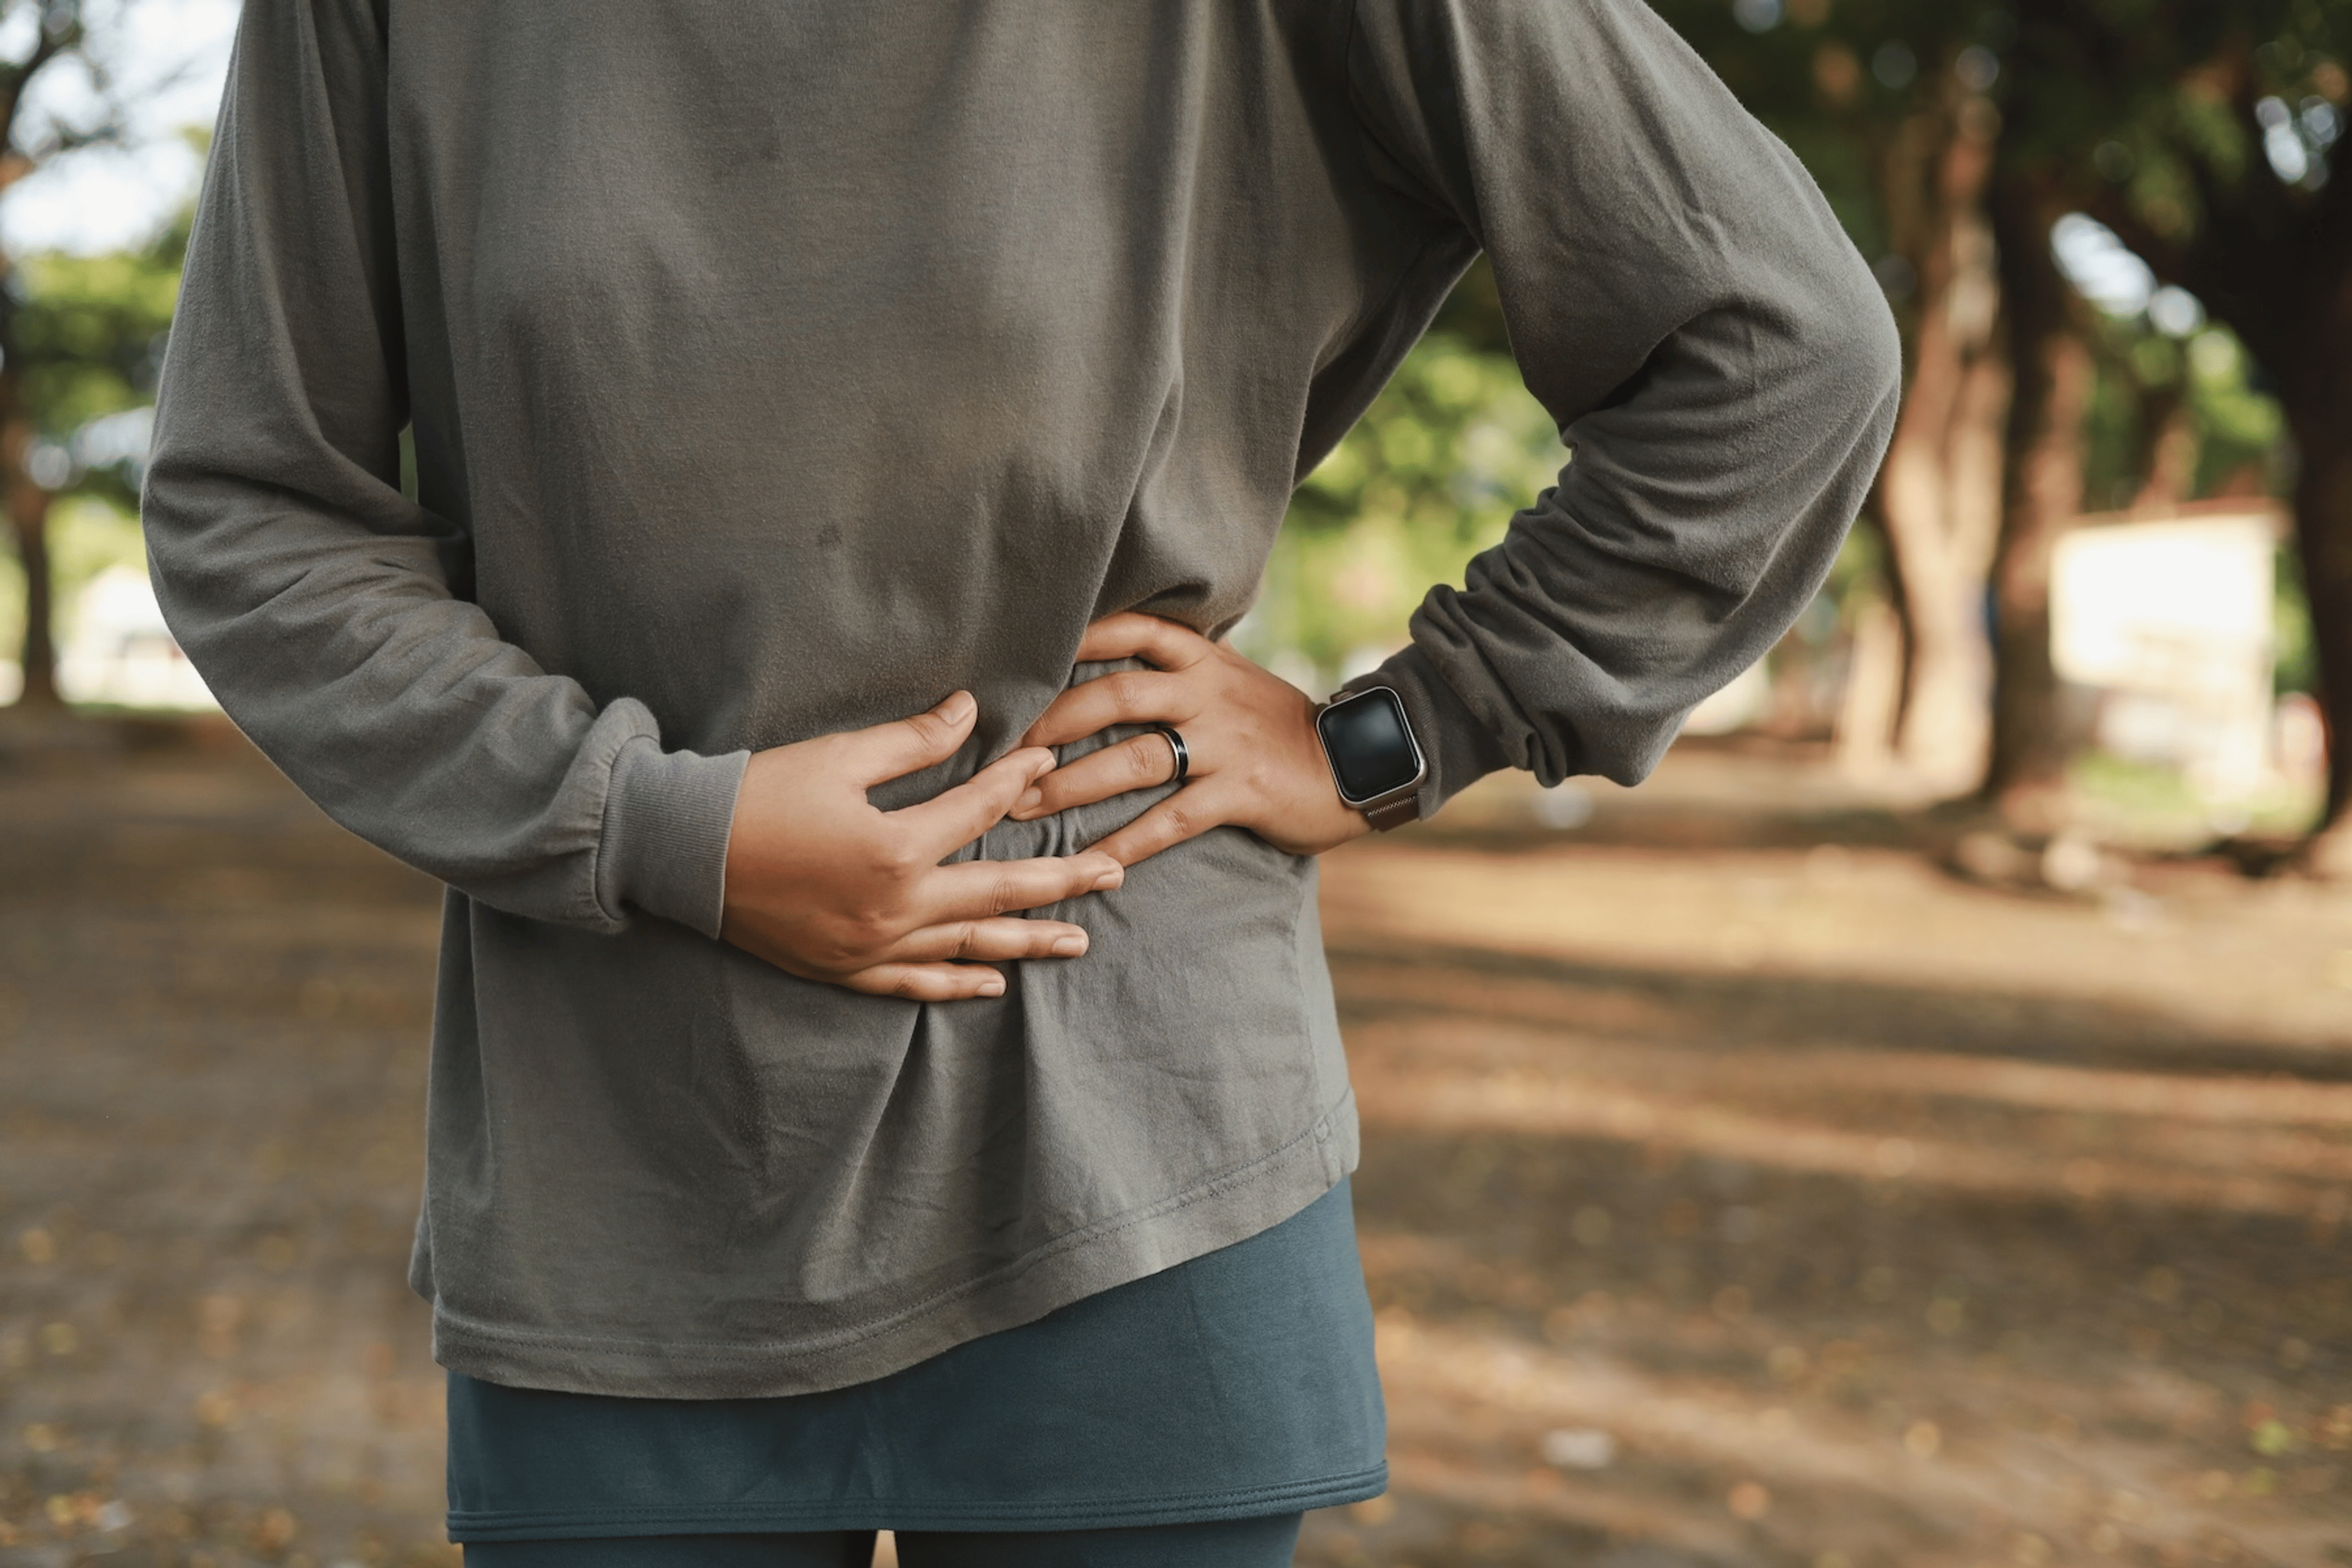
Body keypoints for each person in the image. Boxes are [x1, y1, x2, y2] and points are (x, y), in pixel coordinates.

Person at [143, 0, 1900, 1562]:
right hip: (627, 1200)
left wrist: (1405, 727)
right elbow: (252, 506)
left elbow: (1781, 343)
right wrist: (659, 828)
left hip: (1134, 1163)